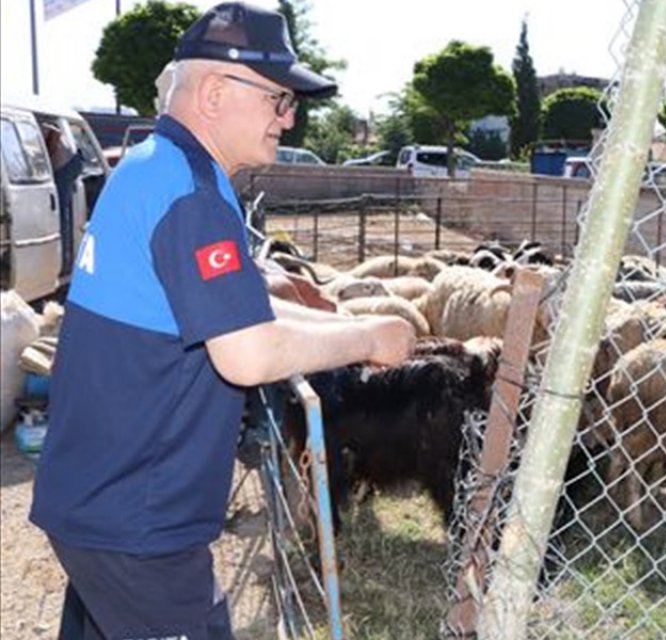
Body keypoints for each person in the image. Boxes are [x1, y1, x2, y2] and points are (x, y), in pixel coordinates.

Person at [28, 3, 417, 639]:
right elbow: (246, 350)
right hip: (140, 523)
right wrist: (370, 336)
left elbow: (229, 307)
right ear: (214, 91)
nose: (288, 121)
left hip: (96, 496)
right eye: (279, 100)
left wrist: (329, 320)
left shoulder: (154, 166)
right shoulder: (192, 195)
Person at [42, 123, 83, 276]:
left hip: (64, 164)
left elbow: (54, 135)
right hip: (70, 160)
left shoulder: (42, 120)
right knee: (63, 212)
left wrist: (46, 161)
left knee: (60, 214)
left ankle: (64, 262)